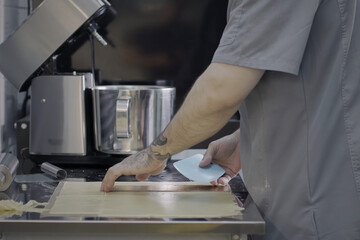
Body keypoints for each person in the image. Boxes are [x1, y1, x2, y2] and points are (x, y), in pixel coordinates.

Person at [101, 0, 360, 239]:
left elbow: (221, 91)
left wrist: (154, 155)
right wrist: (245, 138)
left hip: (316, 210)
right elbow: (321, 77)